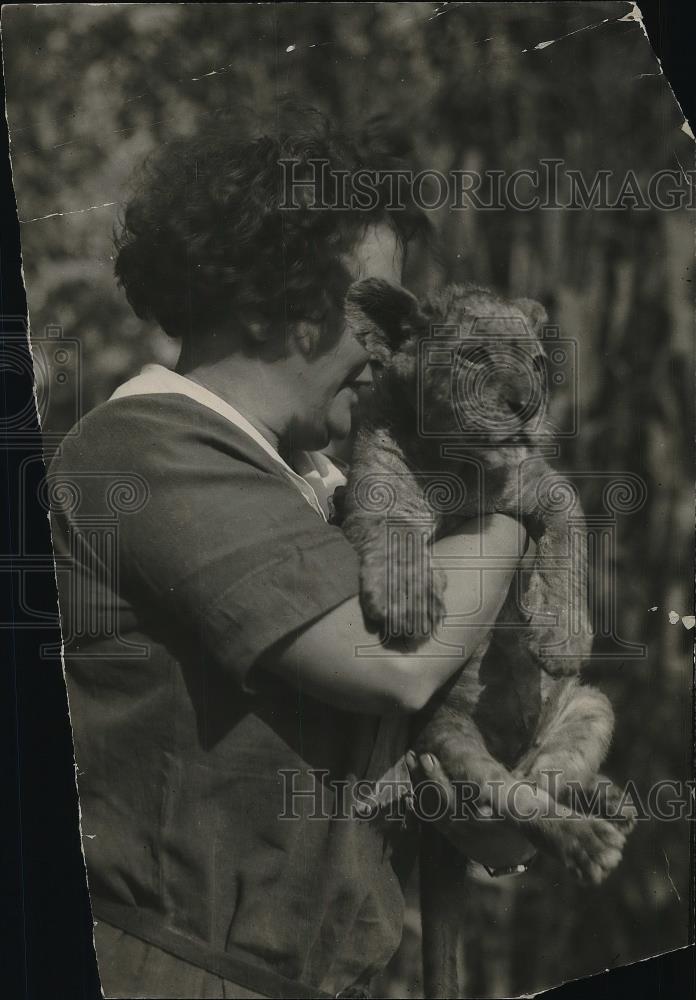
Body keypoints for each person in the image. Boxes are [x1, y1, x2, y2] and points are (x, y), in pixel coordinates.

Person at [49, 107, 535, 1000]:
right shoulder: (146, 449)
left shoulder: (320, 486)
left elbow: (476, 815)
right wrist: (518, 503)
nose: (395, 348)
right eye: (377, 310)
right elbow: (397, 659)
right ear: (272, 300)